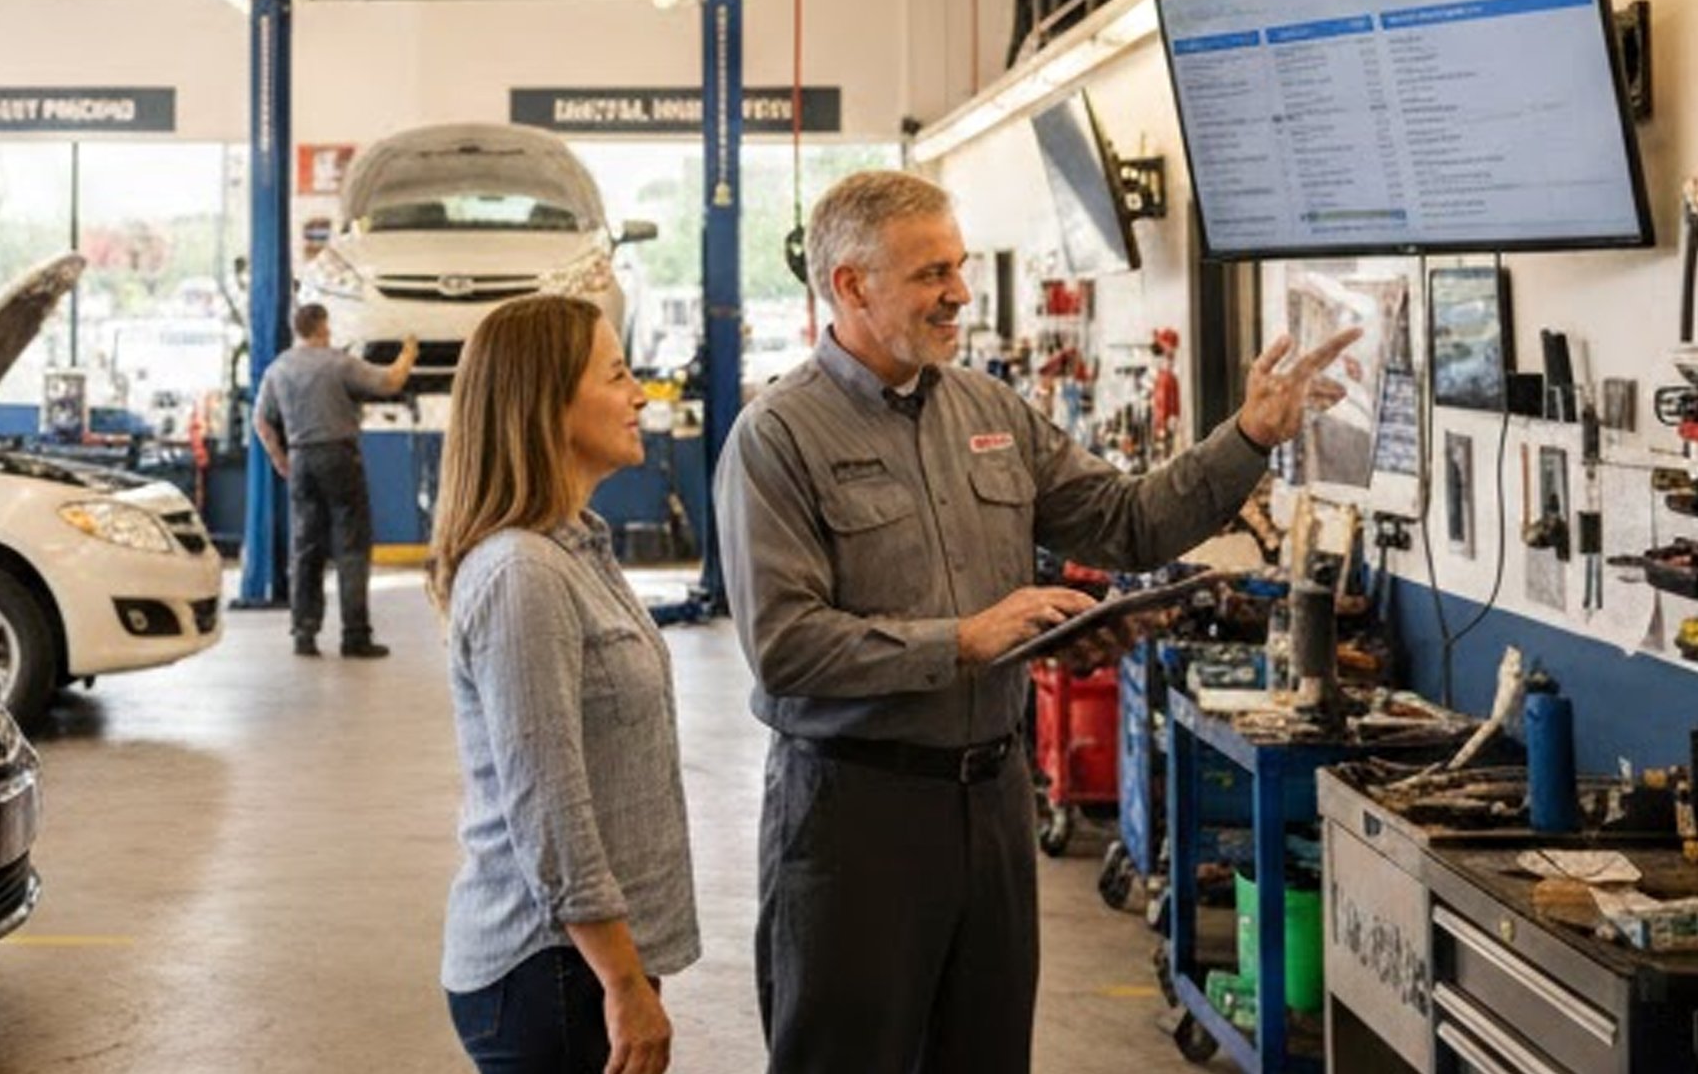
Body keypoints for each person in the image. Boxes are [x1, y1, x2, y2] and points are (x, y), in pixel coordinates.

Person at [714, 169, 1355, 1074]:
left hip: (992, 805)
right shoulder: (778, 437)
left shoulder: (990, 411)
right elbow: (784, 646)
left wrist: (1247, 435)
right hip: (854, 814)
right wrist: (967, 638)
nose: (960, 293)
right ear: (851, 285)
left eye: (961, 265)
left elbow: (1129, 523)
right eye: (932, 272)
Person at [432, 296, 697, 1074]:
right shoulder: (525, 573)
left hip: (580, 960)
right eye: (617, 375)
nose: (640, 394)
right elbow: (548, 803)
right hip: (549, 969)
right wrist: (620, 978)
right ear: (546, 404)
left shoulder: (575, 549)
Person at [253, 304, 414, 657]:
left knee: (305, 548)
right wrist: (408, 353)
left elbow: (262, 422)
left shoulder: (277, 369)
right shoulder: (337, 362)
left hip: (300, 459)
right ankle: (354, 635)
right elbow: (390, 382)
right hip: (339, 457)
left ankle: (304, 634)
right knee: (351, 546)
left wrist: (281, 459)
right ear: (323, 327)